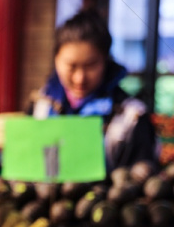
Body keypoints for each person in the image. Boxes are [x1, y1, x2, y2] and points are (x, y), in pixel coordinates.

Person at [29, 10, 157, 170]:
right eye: (71, 66)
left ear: (105, 60)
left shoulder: (131, 117)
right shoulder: (40, 106)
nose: (79, 78)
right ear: (56, 60)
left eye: (90, 66)